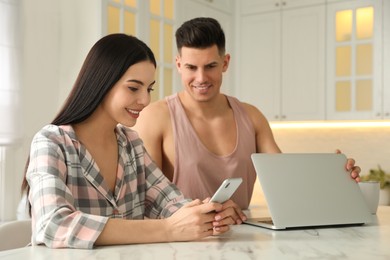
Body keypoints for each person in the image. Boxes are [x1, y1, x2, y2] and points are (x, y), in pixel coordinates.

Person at [20, 34, 246, 249]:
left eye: (149, 89)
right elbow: (53, 224)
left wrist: (206, 212)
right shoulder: (52, 142)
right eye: (133, 88)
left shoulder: (131, 144)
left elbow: (169, 201)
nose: (145, 99)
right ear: (102, 82)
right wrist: (167, 229)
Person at [133, 17, 362, 210]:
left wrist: (334, 178)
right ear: (179, 65)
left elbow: (285, 180)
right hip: (180, 245)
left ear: (225, 63)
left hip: (242, 240)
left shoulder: (251, 117)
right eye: (192, 67)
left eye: (210, 66)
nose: (201, 78)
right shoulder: (155, 117)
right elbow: (145, 200)